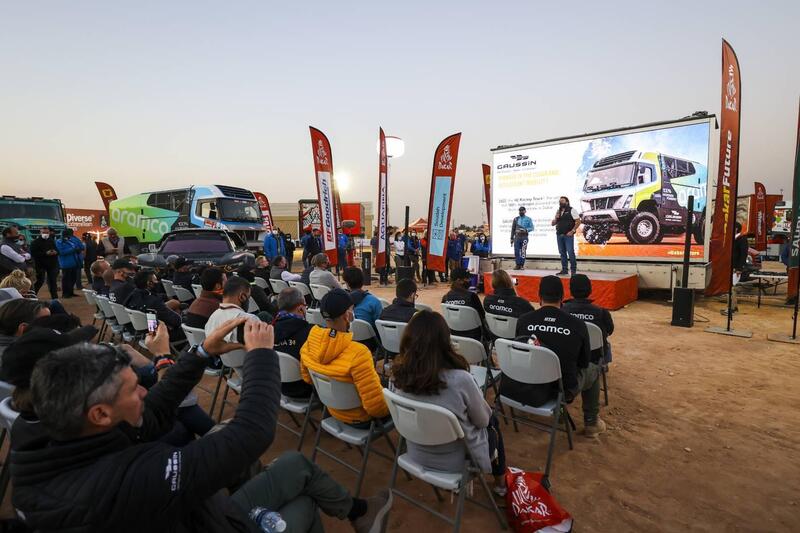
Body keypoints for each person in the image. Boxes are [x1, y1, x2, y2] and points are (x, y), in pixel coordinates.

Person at [11, 318, 392, 532]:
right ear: (100, 414)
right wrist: (262, 355)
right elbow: (253, 432)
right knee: (304, 504)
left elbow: (153, 410)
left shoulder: (57, 432)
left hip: (196, 511)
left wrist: (200, 353)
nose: (143, 391)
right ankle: (354, 512)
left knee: (285, 462)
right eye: (132, 389)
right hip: (210, 522)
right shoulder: (118, 483)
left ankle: (358, 513)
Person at [391, 310, 507, 494]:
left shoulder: (397, 376)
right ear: (445, 342)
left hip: (416, 452)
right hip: (457, 462)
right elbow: (483, 421)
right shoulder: (460, 379)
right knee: (493, 421)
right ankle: (501, 484)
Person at [508, 275, 605, 437]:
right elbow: (583, 362)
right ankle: (591, 423)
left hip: (530, 383)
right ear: (562, 297)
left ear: (539, 296)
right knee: (594, 369)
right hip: (563, 389)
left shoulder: (524, 320)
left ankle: (553, 412)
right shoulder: (577, 325)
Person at [300, 289, 389, 427]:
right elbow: (376, 408)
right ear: (347, 315)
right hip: (361, 419)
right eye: (352, 309)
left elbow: (307, 378)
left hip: (332, 410)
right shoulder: (359, 353)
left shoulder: (308, 345)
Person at [273, 287, 314, 399]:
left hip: (279, 387)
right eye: (305, 306)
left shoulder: (268, 330)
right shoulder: (310, 332)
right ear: (300, 308)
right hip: (308, 388)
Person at [563, 274, 614, 364]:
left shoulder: (562, 311)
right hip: (595, 355)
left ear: (570, 290)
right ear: (590, 290)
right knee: (606, 344)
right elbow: (610, 331)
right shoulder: (602, 312)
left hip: (571, 354)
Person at [124, 270, 184, 341]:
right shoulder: (153, 302)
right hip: (158, 336)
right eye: (155, 280)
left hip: (143, 332)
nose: (157, 282)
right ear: (149, 283)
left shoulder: (132, 296)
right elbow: (176, 321)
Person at [441, 267, 486, 341]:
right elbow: (482, 316)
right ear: (459, 280)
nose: (469, 280)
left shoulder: (445, 298)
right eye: (467, 278)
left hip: (454, 335)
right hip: (474, 336)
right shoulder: (472, 296)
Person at [551, 196, 581, 276]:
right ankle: (564, 270)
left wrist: (573, 231)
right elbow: (553, 224)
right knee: (562, 253)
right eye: (560, 201)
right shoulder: (558, 211)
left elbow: (578, 221)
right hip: (559, 235)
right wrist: (556, 218)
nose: (560, 202)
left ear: (567, 202)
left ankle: (573, 271)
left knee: (570, 252)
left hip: (568, 235)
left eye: (562, 201)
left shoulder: (572, 210)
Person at [30, 227, 59, 299]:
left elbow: (57, 250)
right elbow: (33, 253)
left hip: (52, 264)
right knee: (40, 281)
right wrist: (45, 253)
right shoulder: (35, 242)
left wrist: (55, 252)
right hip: (40, 265)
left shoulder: (51, 241)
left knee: (53, 281)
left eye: (47, 233)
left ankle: (55, 298)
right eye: (43, 232)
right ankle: (32, 296)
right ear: (40, 233)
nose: (45, 234)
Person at [55, 228, 85, 297]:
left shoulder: (70, 241)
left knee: (73, 279)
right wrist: (73, 249)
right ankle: (65, 294)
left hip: (74, 263)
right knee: (66, 279)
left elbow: (79, 246)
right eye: (67, 235)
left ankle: (71, 292)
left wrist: (77, 249)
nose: (68, 237)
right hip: (66, 263)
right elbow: (61, 252)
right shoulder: (59, 242)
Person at [510, 206, 534, 270]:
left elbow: (532, 228)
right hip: (517, 237)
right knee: (516, 251)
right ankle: (517, 264)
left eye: (522, 210)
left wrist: (525, 230)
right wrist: (511, 238)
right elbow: (513, 229)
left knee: (523, 251)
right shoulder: (516, 219)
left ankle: (522, 265)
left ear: (525, 211)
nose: (521, 212)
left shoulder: (528, 219)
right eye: (520, 210)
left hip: (524, 237)